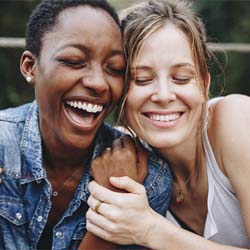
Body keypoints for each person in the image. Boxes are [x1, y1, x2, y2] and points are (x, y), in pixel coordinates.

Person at [0, 0, 172, 249]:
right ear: (30, 67)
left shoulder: (147, 180)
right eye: (73, 61)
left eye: (114, 68)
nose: (98, 83)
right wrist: (111, 207)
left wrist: (117, 198)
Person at [86, 0, 250, 249]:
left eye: (181, 78)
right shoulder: (124, 154)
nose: (163, 95)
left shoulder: (235, 119)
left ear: (204, 84)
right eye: (141, 79)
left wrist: (151, 230)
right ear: (119, 92)